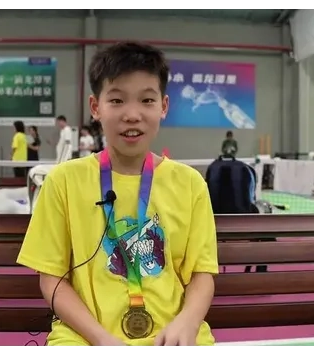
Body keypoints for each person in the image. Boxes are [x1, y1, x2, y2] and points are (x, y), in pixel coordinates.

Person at [16, 41, 218, 346]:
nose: (132, 115)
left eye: (147, 100)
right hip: (85, 338)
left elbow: (202, 274)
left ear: (163, 106)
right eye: (117, 100)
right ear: (95, 107)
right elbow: (52, 279)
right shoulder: (62, 182)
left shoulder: (190, 184)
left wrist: (188, 322)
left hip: (173, 335)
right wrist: (100, 339)